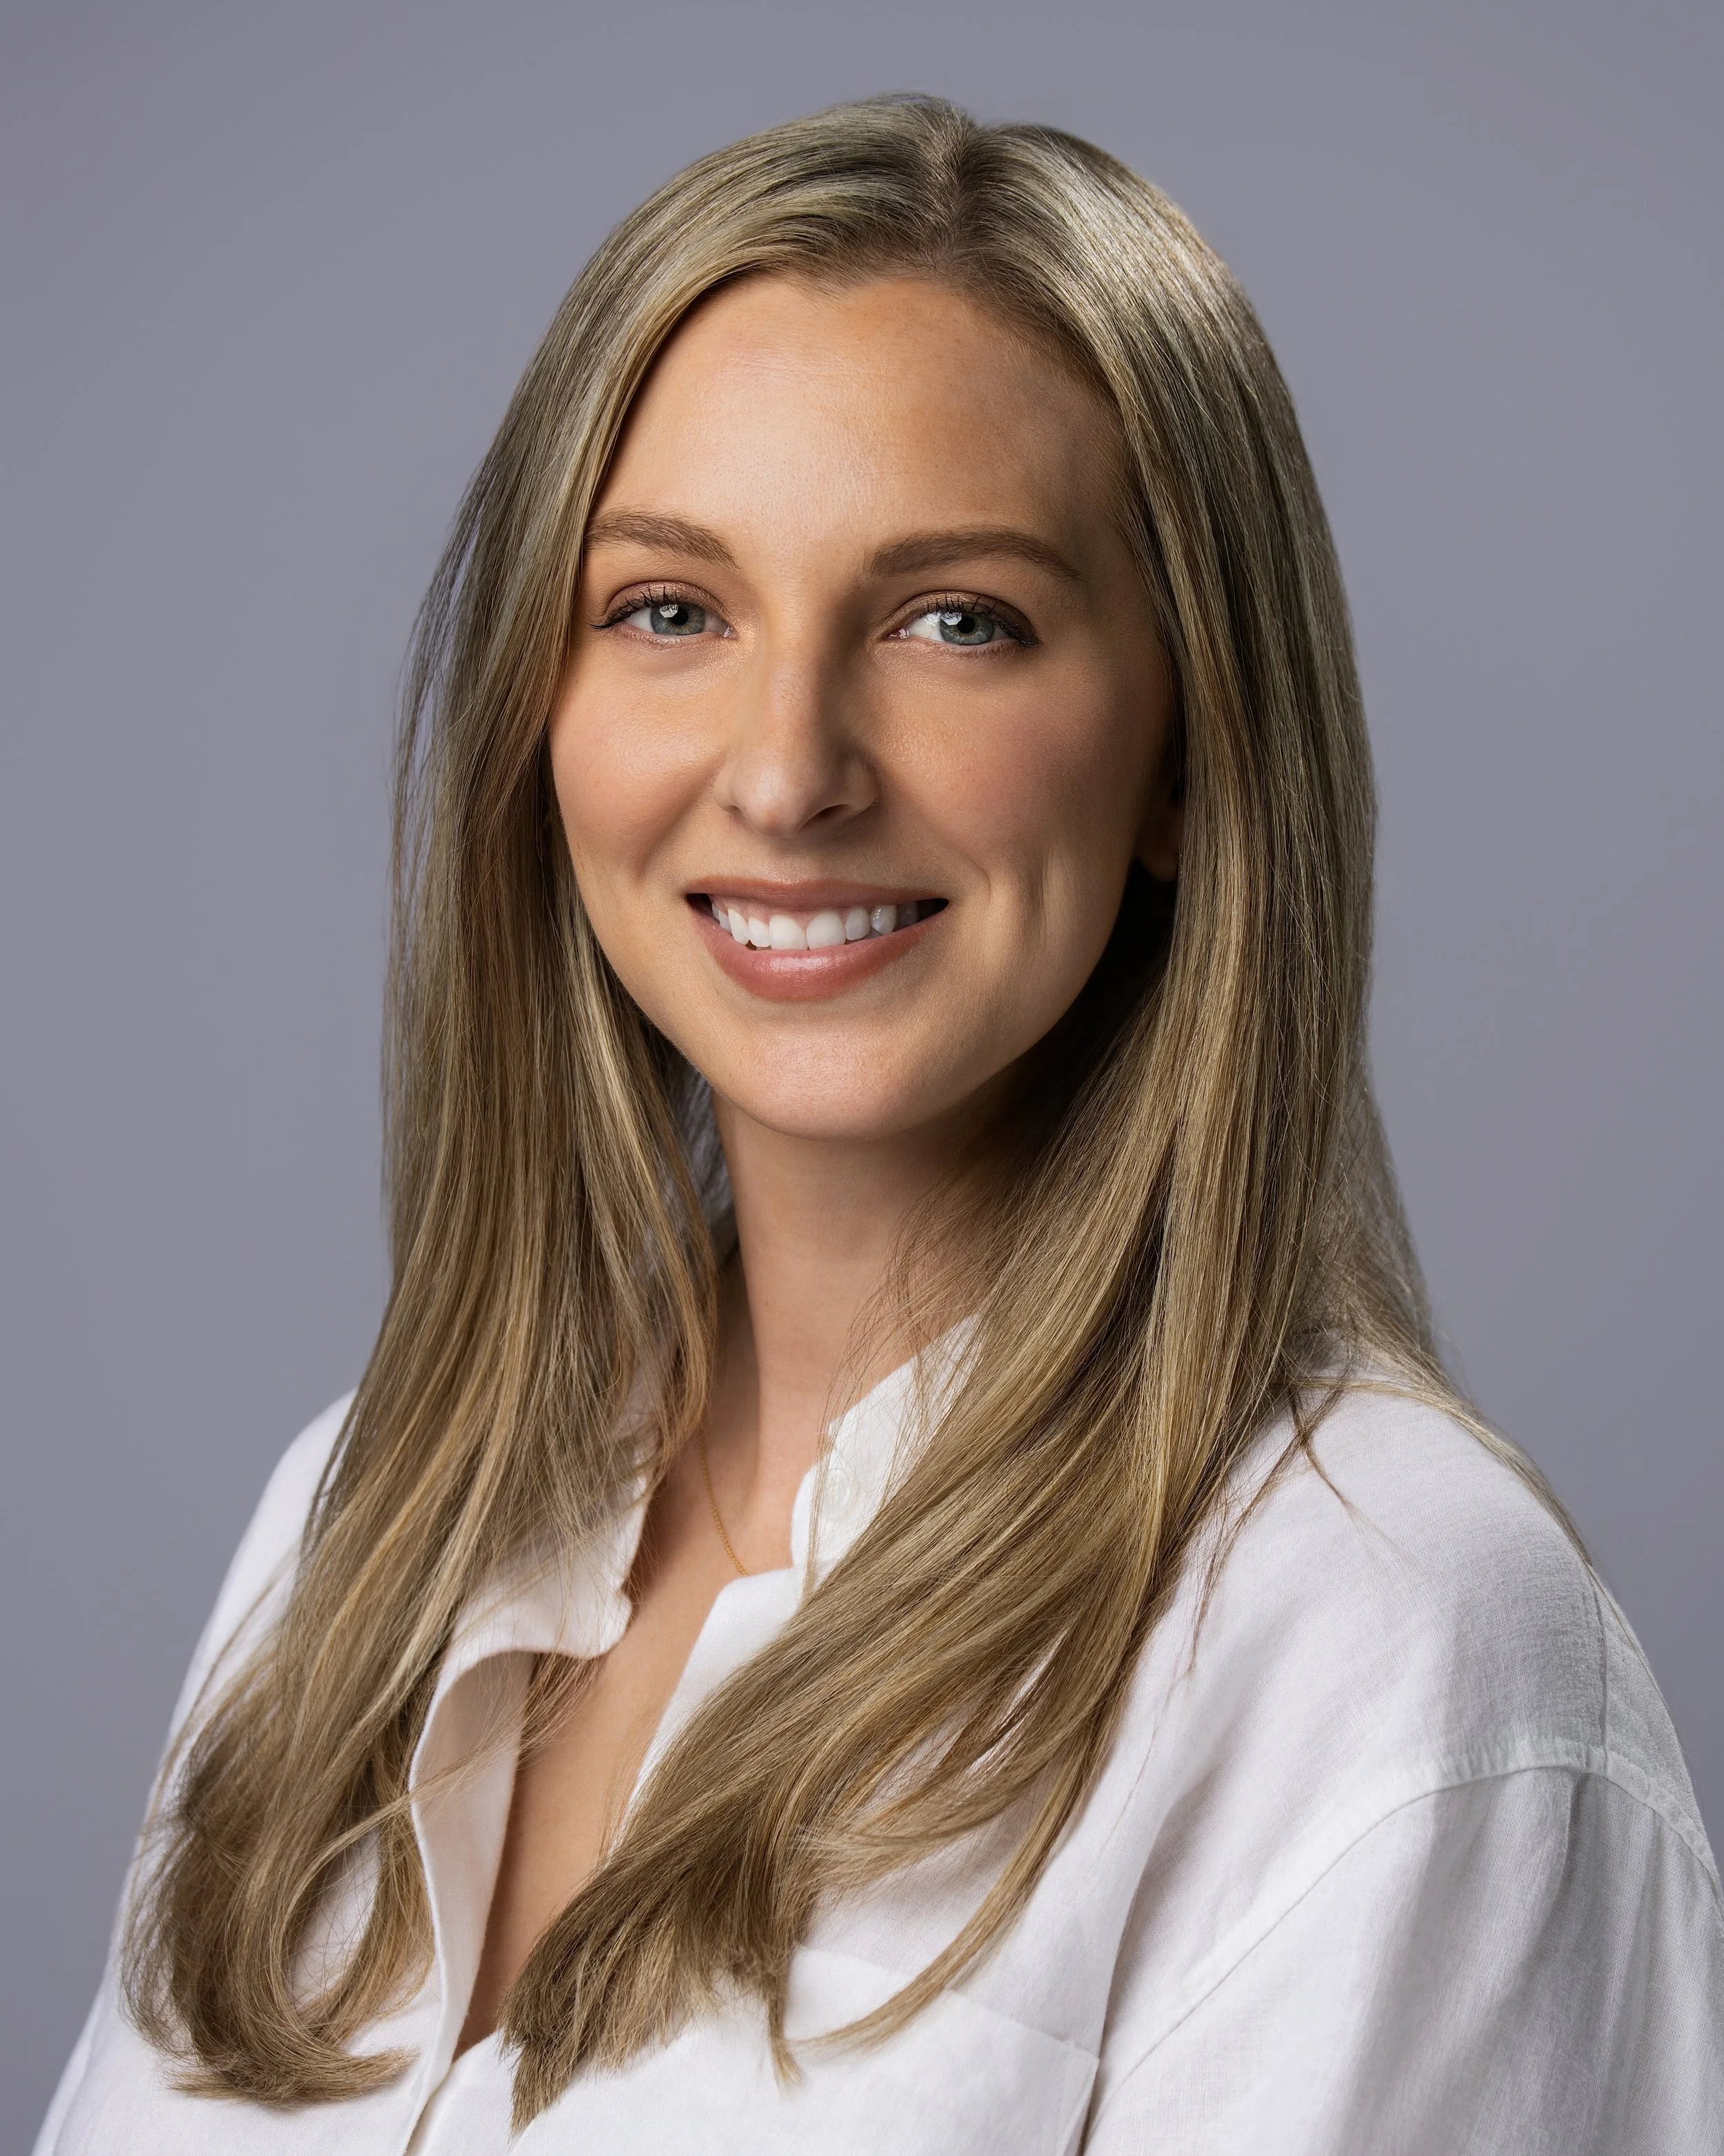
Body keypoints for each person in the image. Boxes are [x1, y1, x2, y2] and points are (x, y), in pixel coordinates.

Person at [35, 94, 1723, 2156]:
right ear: (533, 719)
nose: (786, 768)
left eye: (957, 620)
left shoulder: (1386, 1646)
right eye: (670, 607)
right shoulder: (355, 1536)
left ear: (1194, 750)